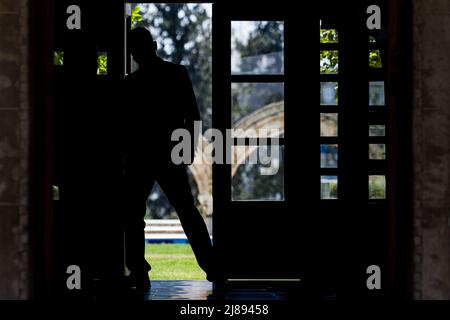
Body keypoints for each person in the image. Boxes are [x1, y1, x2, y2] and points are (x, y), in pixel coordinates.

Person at [122, 27, 215, 290]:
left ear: (134, 52)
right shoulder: (177, 74)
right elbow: (193, 117)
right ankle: (212, 269)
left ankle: (139, 272)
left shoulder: (130, 84)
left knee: (132, 215)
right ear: (154, 45)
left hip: (140, 157)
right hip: (169, 154)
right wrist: (185, 150)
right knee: (188, 213)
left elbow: (125, 127)